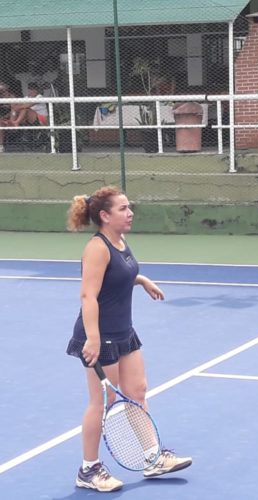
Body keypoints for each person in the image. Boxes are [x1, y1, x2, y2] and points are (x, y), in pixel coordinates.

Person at [66, 186, 192, 492]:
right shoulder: (97, 248)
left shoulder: (119, 241)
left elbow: (118, 274)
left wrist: (141, 280)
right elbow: (88, 295)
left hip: (124, 331)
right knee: (103, 403)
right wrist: (93, 338)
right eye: (123, 209)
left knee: (137, 392)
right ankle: (88, 469)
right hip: (101, 336)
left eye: (129, 207)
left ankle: (152, 457)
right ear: (105, 216)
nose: (130, 212)